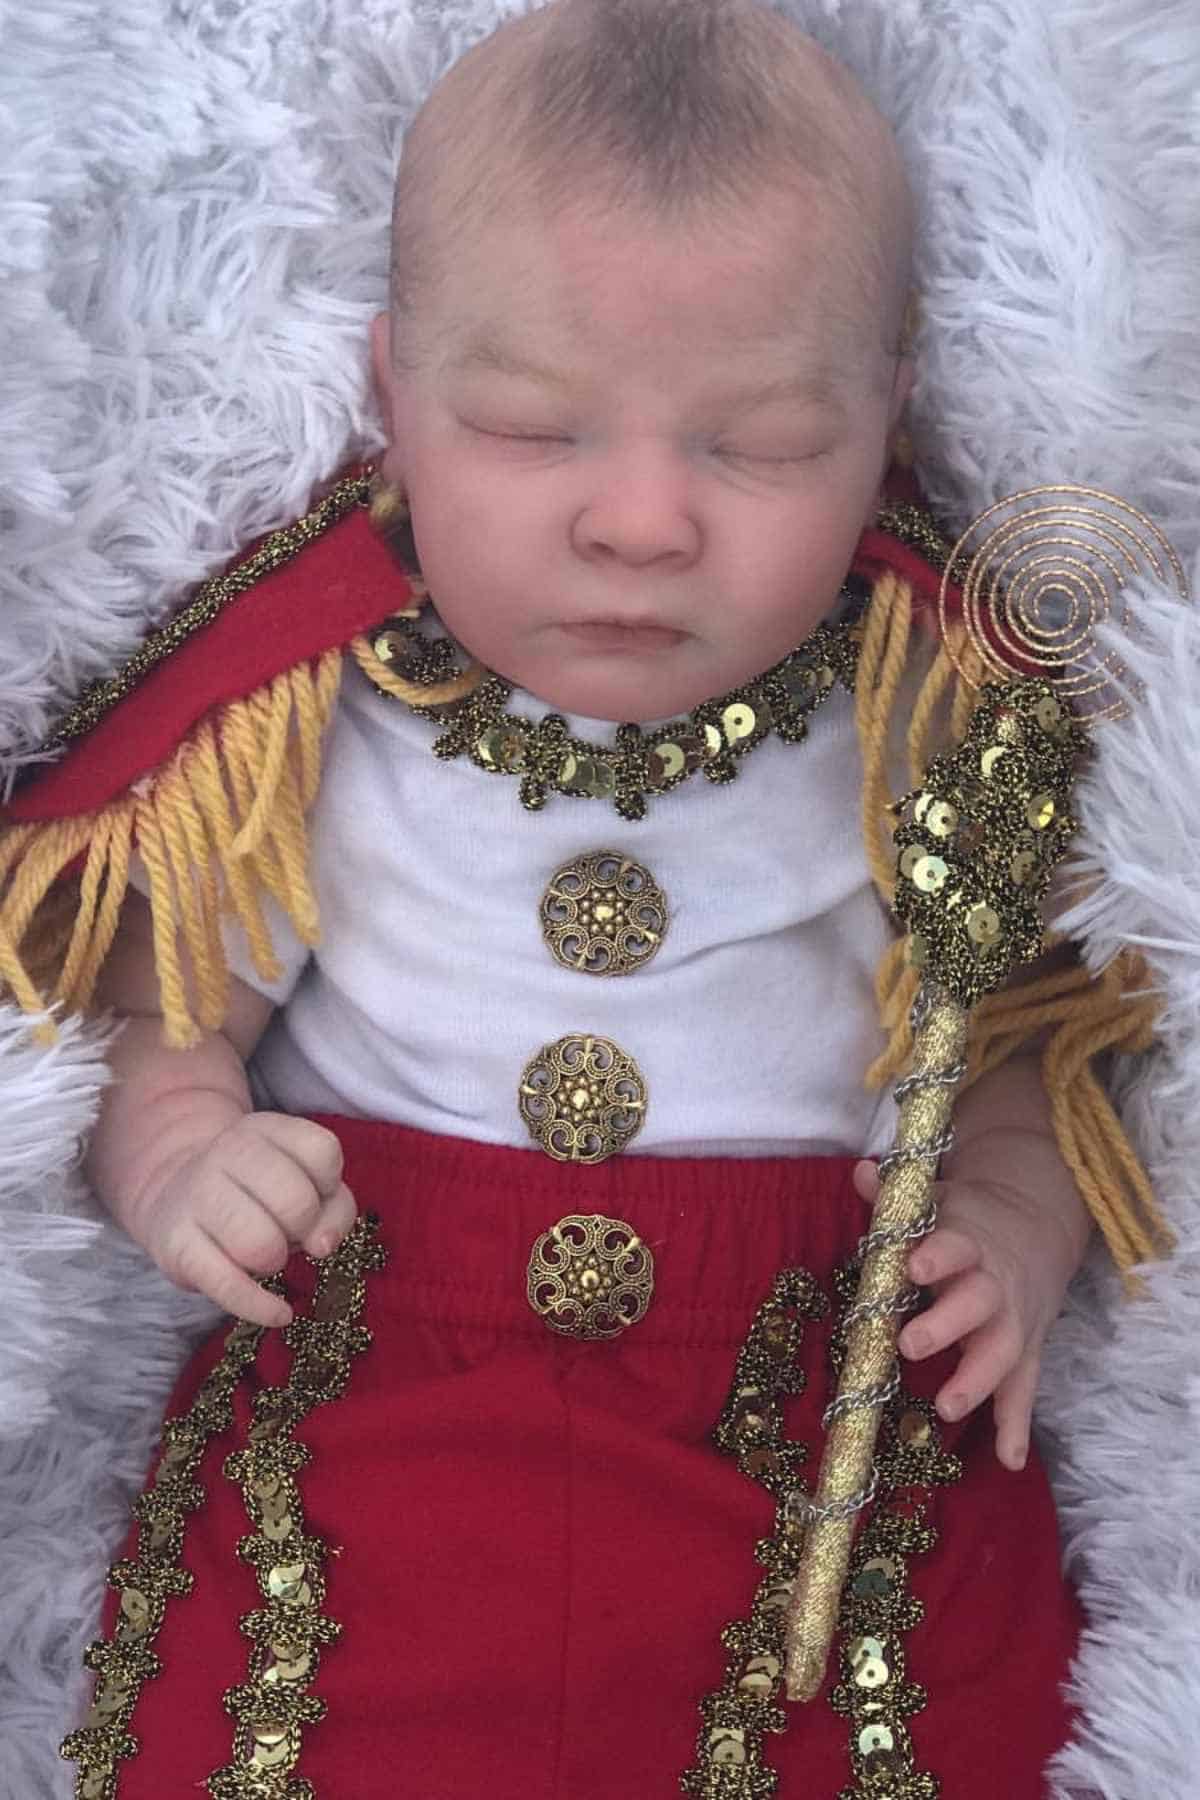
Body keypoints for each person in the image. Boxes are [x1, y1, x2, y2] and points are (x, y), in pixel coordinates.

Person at [0, 2, 1165, 1795]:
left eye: (760, 443)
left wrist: (1010, 1229)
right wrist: (181, 1156)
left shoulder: (921, 715)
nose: (640, 522)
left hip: (819, 1390)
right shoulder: (320, 712)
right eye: (530, 428)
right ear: (395, 400)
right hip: (377, 1363)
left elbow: (1012, 1045)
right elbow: (170, 1016)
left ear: (888, 422)